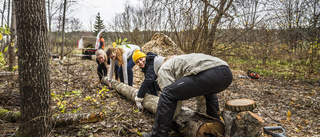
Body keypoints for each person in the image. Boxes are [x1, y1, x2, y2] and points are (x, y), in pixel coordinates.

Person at [142, 53, 233, 137]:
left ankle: (158, 134)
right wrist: (200, 115)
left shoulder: (163, 68)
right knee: (208, 93)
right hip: (226, 74)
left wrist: (173, 119)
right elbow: (200, 90)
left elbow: (171, 97)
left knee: (167, 93)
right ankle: (215, 122)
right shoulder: (180, 60)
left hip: (209, 73)